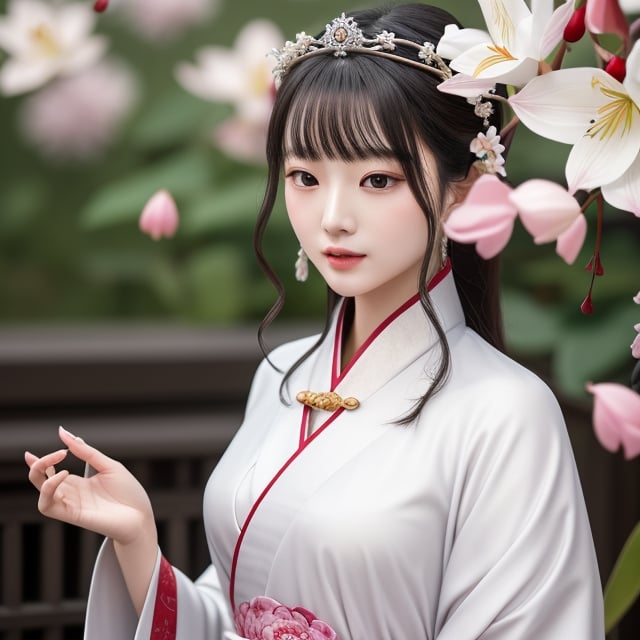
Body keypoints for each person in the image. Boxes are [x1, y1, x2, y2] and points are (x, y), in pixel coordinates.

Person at [25, 4, 605, 639]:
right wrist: (139, 540)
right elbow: (238, 617)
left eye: (378, 179)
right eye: (305, 176)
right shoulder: (283, 373)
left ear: (462, 187)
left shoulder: (508, 412)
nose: (333, 217)